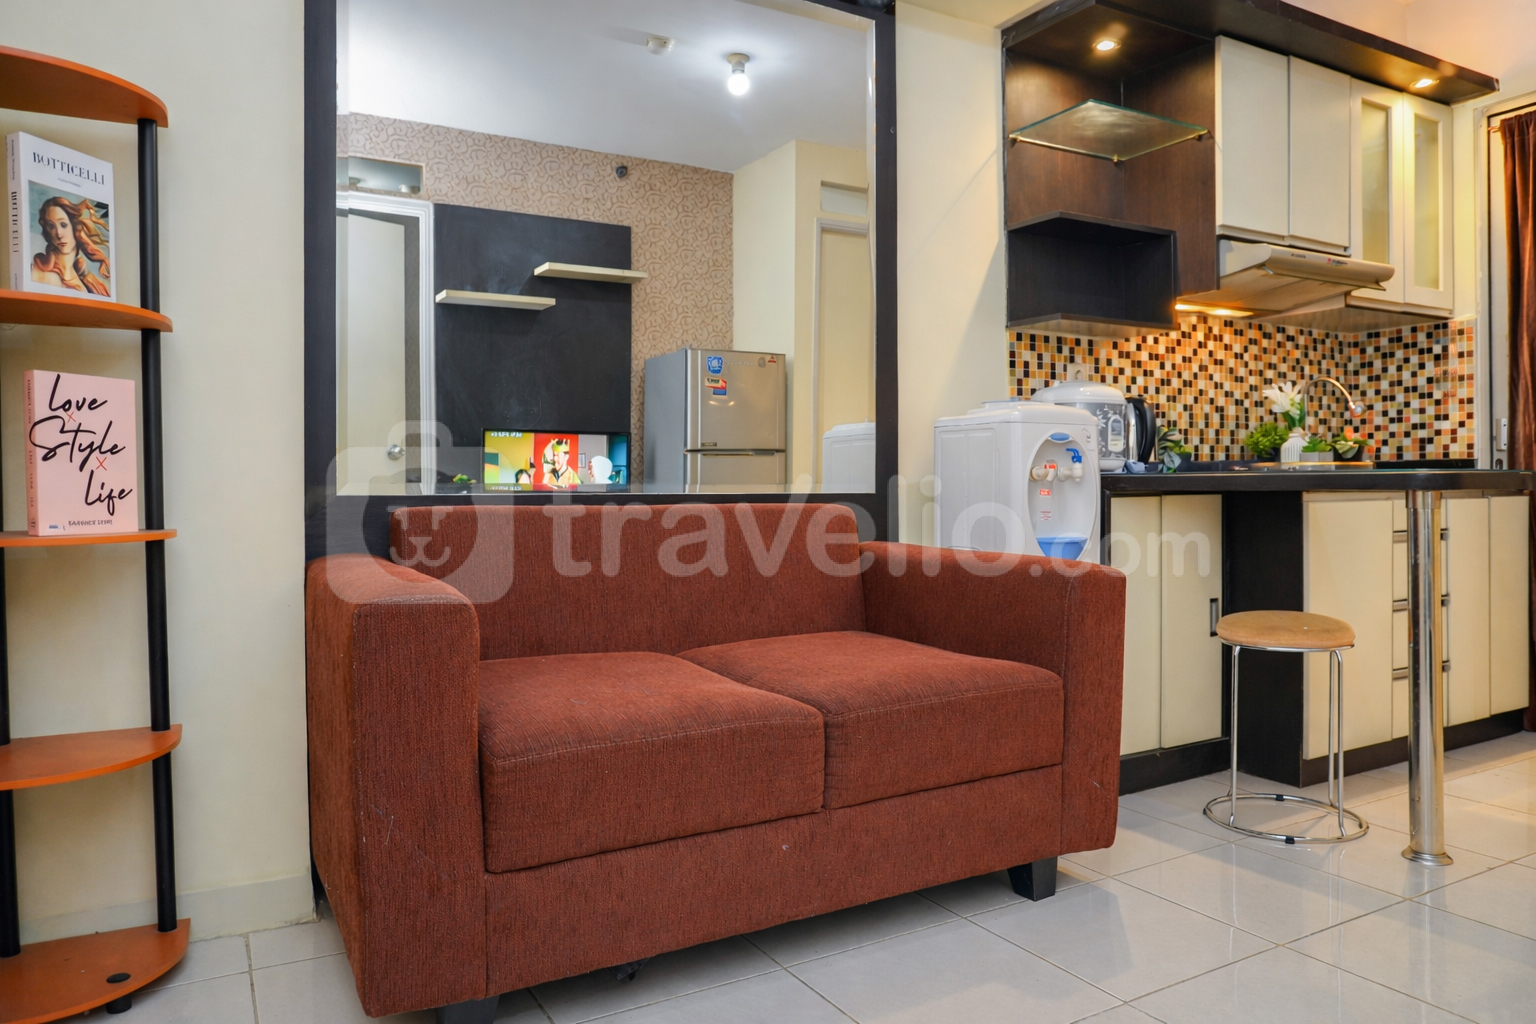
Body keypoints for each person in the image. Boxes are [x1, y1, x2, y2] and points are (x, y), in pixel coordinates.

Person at [31, 196, 111, 296]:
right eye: (51, 226)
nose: (59, 234)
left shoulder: (87, 280)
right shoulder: (40, 273)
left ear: (75, 228)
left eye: (63, 225)